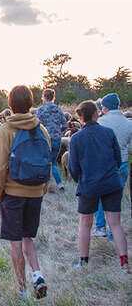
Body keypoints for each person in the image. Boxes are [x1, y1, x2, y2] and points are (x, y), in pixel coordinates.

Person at [0, 85, 50, 299]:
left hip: (13, 194)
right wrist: (42, 189)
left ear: (10, 105)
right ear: (31, 104)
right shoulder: (41, 129)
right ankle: (38, 275)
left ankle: (22, 290)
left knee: (15, 242)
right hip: (35, 193)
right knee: (28, 238)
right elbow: (47, 162)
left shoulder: (5, 131)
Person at [68, 100, 130, 273]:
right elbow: (118, 159)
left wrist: (82, 179)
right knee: (115, 224)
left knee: (85, 223)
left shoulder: (76, 138)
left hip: (89, 185)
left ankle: (83, 262)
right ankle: (124, 263)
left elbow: (73, 168)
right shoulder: (108, 133)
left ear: (80, 118)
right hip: (111, 182)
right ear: (96, 114)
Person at [90, 93, 132, 237]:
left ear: (105, 107)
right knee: (115, 200)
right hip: (123, 165)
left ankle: (100, 226)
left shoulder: (100, 123)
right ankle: (114, 234)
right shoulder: (129, 123)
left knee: (101, 196)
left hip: (104, 165)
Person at [36, 88, 68, 190]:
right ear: (53, 97)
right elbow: (65, 124)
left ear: (44, 97)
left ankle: (45, 184)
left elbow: (37, 125)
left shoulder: (41, 110)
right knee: (52, 162)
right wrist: (59, 131)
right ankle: (58, 184)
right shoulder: (58, 109)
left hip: (45, 140)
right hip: (57, 140)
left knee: (45, 162)